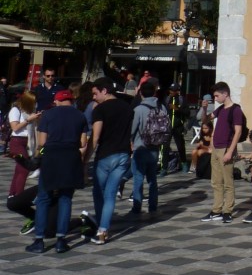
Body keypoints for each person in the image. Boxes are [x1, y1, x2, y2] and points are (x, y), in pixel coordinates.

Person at [25, 89, 89, 253]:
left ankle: (39, 240)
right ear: (71, 100)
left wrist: (41, 155)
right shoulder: (80, 116)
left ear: (57, 101)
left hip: (51, 158)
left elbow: (42, 142)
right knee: (65, 198)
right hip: (71, 158)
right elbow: (83, 143)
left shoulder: (48, 115)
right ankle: (61, 240)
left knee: (43, 199)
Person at [88, 76, 133, 244]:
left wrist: (86, 160)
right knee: (111, 194)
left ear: (104, 91)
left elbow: (95, 137)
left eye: (95, 93)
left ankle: (101, 223)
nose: (93, 97)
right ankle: (103, 229)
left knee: (99, 192)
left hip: (106, 155)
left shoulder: (100, 109)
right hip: (123, 155)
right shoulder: (127, 108)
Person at [200, 81, 243, 223]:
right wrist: (204, 110)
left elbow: (238, 131)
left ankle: (228, 211)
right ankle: (216, 209)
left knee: (228, 182)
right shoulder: (220, 109)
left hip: (226, 148)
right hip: (216, 148)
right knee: (216, 182)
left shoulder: (235, 110)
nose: (216, 98)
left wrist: (230, 151)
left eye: (217, 95)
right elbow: (205, 121)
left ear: (225, 94)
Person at [129, 80, 164, 216]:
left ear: (141, 93)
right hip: (155, 147)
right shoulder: (161, 107)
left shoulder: (138, 109)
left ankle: (137, 207)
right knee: (152, 180)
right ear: (154, 93)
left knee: (138, 178)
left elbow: (132, 129)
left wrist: (130, 141)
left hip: (140, 147)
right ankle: (153, 206)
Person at [7, 92, 40, 197]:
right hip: (17, 142)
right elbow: (15, 127)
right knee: (24, 168)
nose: (35, 105)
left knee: (19, 169)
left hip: (27, 142)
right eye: (33, 102)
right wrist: (28, 120)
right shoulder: (15, 110)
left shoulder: (27, 111)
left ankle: (13, 193)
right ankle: (19, 195)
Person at [163, 82, 188, 173]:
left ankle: (184, 163)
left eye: (173, 90)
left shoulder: (182, 100)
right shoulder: (166, 99)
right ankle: (164, 167)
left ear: (177, 91)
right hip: (167, 126)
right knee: (165, 147)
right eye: (170, 90)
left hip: (178, 126)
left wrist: (177, 109)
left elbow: (187, 113)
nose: (171, 92)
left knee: (180, 146)